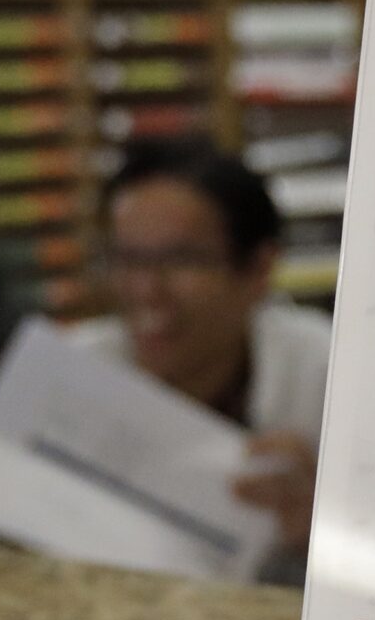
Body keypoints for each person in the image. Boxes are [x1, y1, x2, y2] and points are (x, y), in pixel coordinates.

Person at [75, 140, 331, 568]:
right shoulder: (73, 371)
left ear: (257, 269)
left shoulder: (330, 376)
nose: (146, 290)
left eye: (180, 260)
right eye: (128, 259)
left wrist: (328, 528)